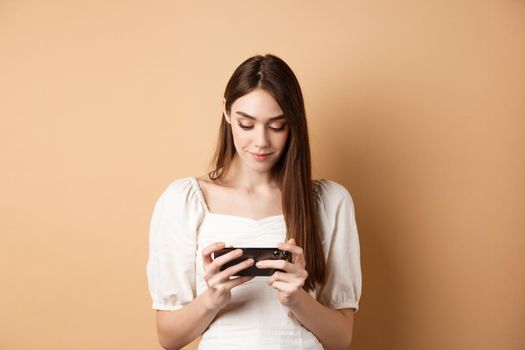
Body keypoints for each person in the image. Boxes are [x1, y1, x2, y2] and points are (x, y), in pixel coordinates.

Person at [146, 54, 362, 350]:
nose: (261, 141)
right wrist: (212, 298)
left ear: (294, 124)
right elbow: (168, 337)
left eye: (277, 126)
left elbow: (341, 339)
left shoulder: (330, 202)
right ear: (226, 112)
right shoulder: (184, 201)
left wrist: (296, 299)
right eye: (246, 124)